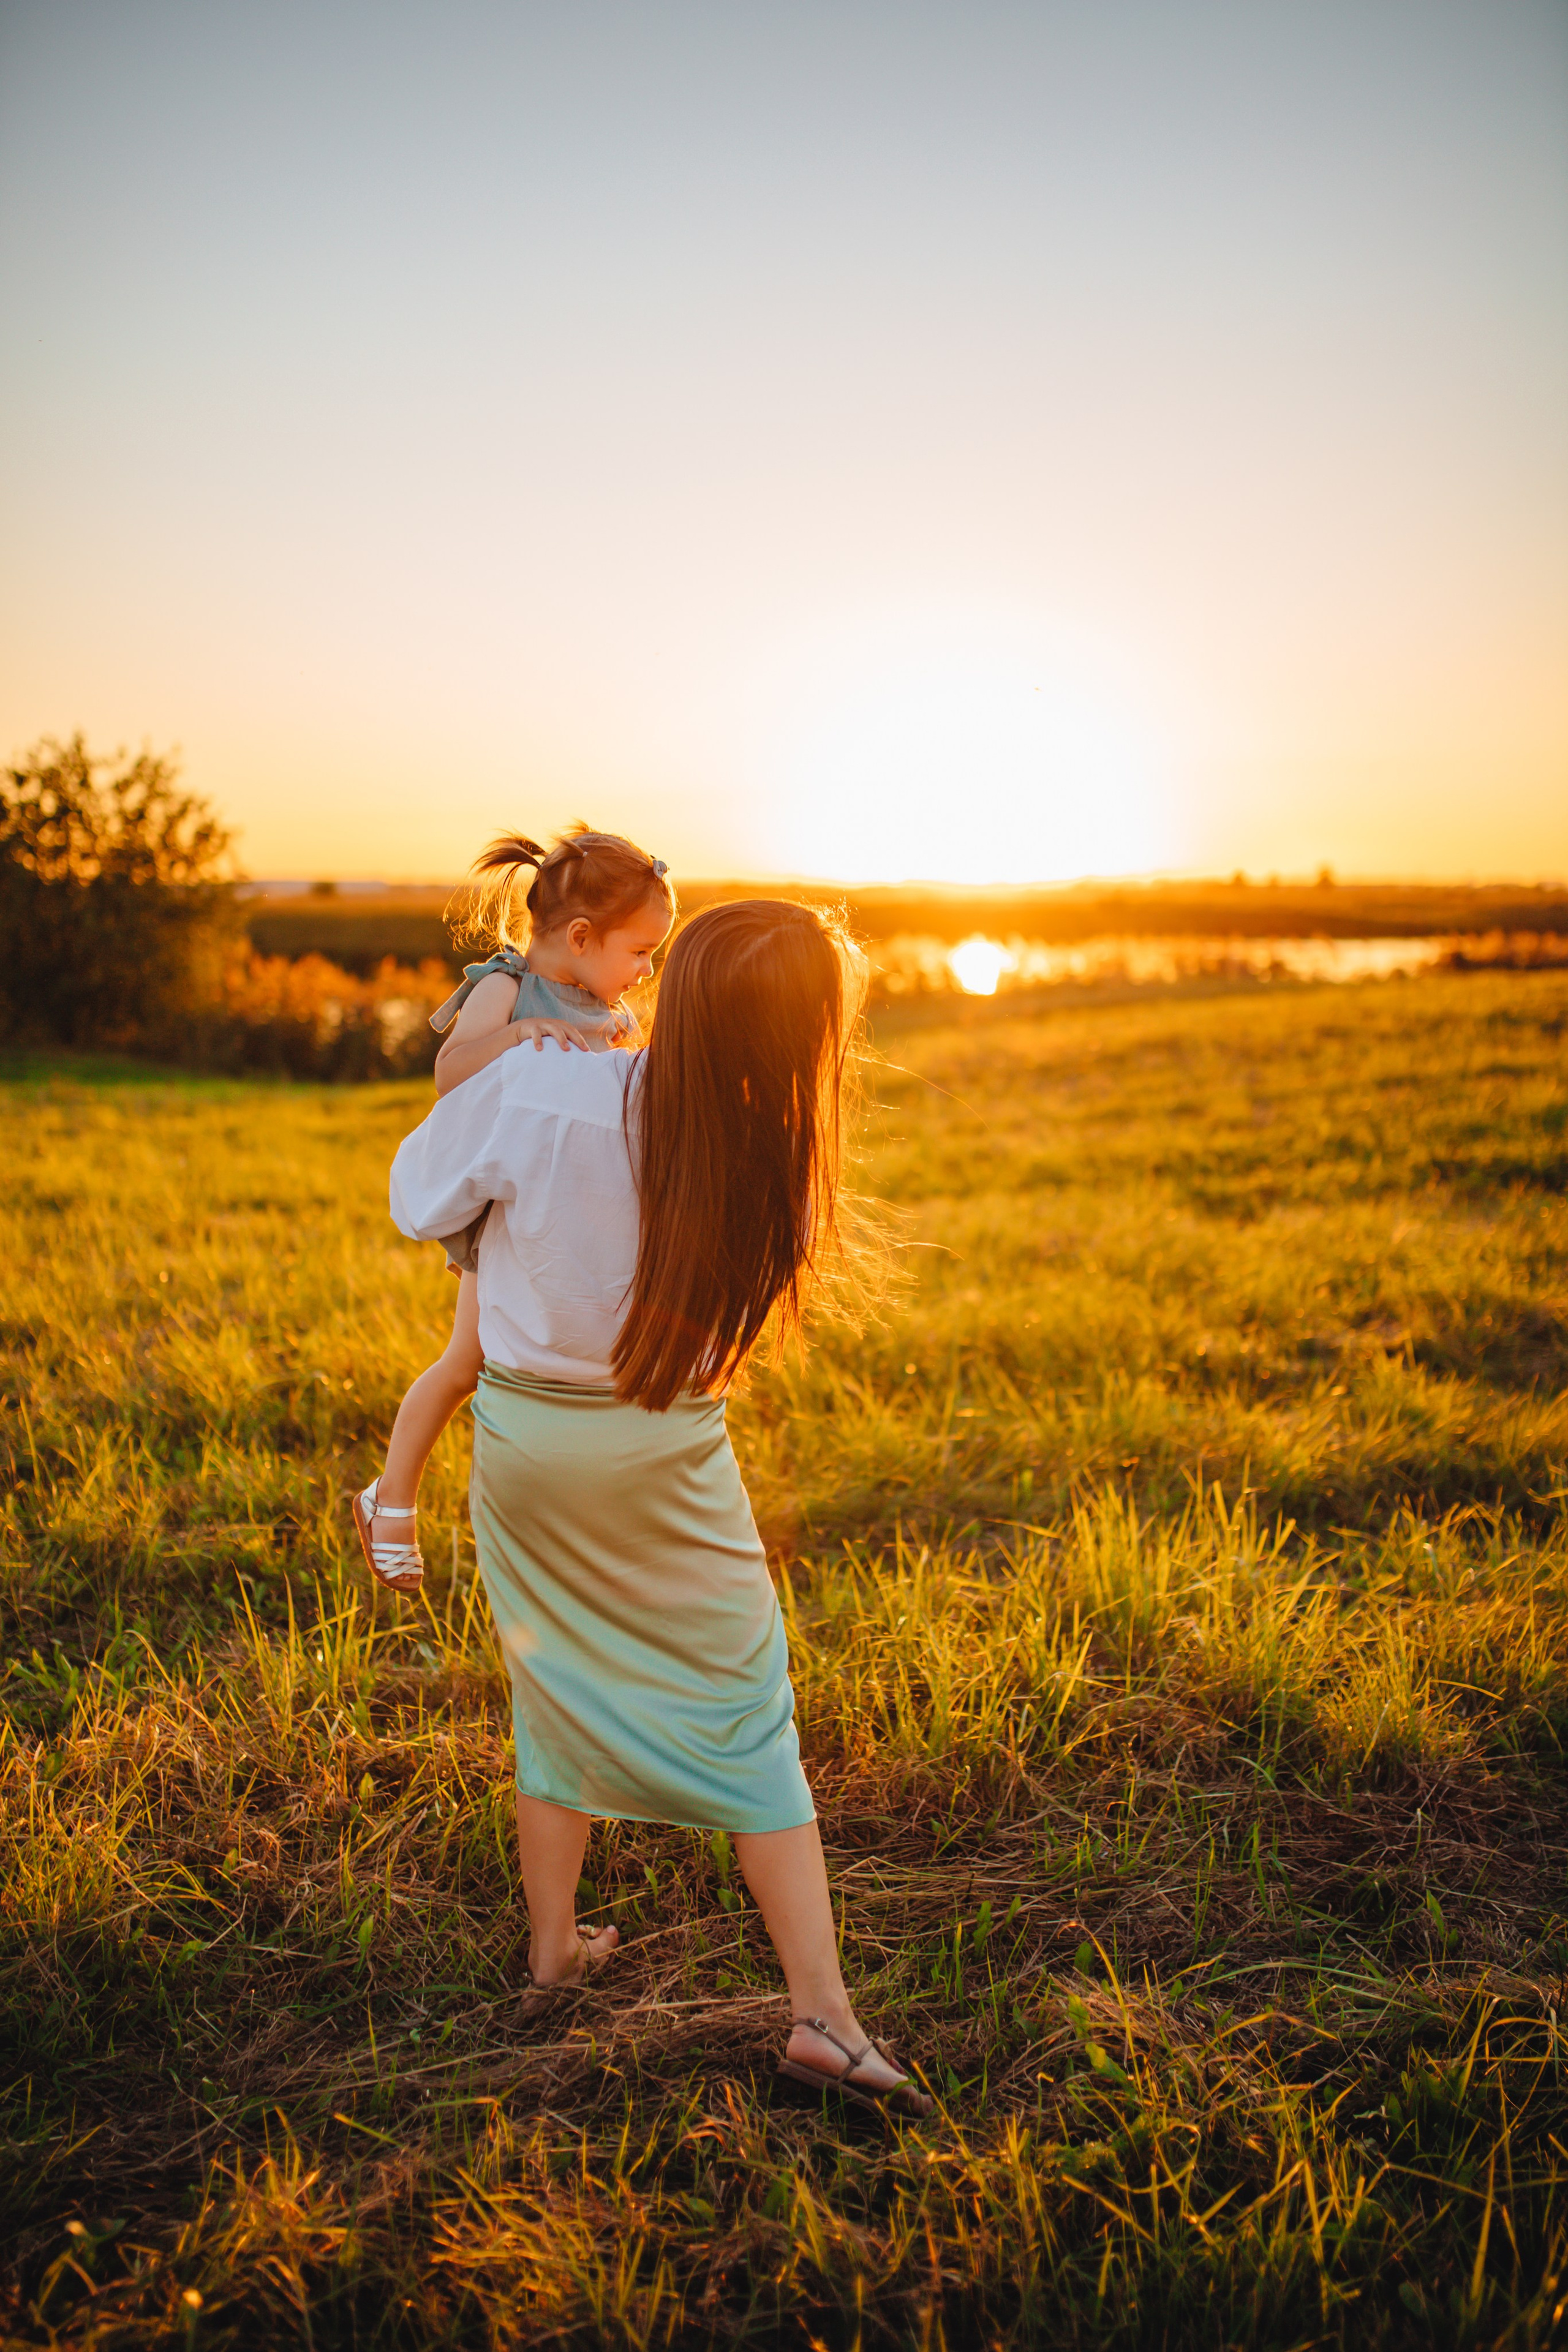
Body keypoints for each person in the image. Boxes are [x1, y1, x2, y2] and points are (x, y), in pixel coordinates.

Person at [385, 897, 932, 2118]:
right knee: (745, 1707)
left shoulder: (539, 1087)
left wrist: (499, 1080)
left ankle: (553, 1950)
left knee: (554, 1680)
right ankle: (823, 2020)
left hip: (527, 1443)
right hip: (668, 1456)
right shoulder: (777, 1153)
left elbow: (420, 1200)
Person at [352, 827, 676, 1594]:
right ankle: (389, 1498)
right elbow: (450, 1073)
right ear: (581, 936)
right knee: (465, 1362)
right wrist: (522, 1033)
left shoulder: (606, 1006)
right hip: (505, 1211)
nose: (646, 970)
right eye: (639, 953)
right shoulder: (506, 987)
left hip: (569, 1215)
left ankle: (607, 1523)